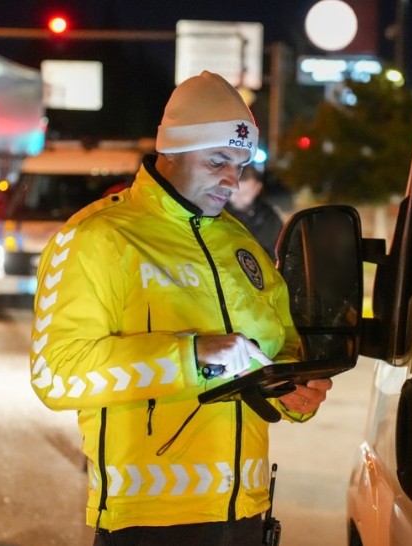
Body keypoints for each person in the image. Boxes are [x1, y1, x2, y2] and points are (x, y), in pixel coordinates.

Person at [28, 70, 333, 546]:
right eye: (217, 161)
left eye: (240, 165)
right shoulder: (97, 238)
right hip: (149, 521)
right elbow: (56, 373)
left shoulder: (240, 243)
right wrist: (192, 358)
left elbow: (278, 346)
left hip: (247, 514)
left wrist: (294, 390)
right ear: (170, 151)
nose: (232, 180)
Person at [225, 164, 284, 260]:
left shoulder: (270, 219)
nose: (239, 197)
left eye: (245, 193)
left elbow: (277, 257)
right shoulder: (214, 213)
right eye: (234, 192)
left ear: (257, 188)